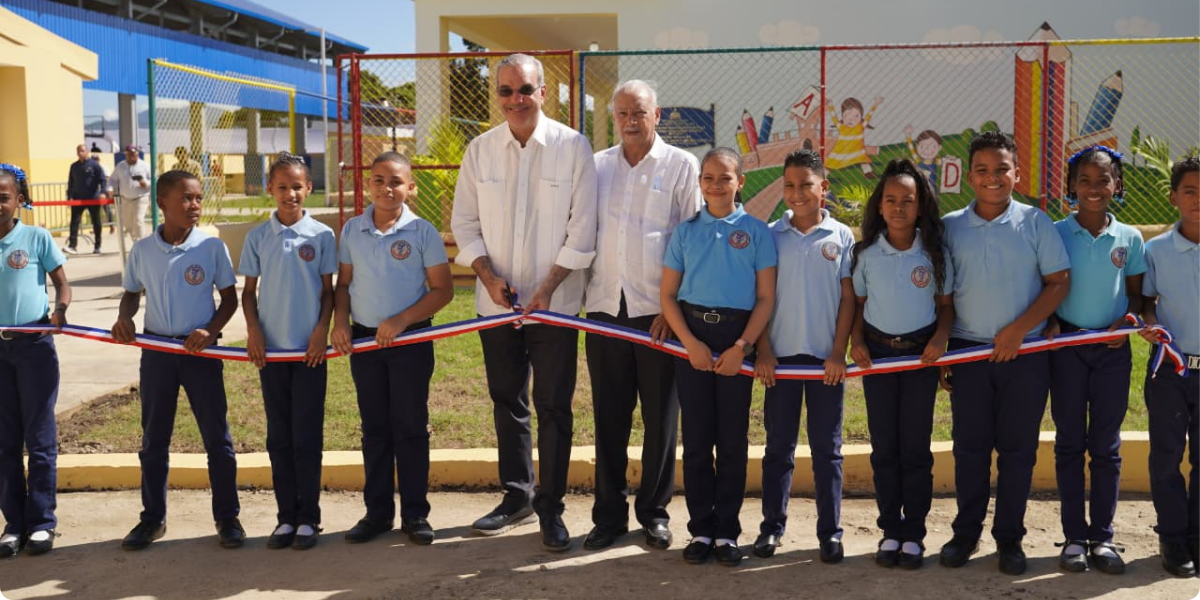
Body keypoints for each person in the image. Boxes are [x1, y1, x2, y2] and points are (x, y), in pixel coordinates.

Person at [450, 53, 597, 552]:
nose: (516, 100)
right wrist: (488, 278)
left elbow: (583, 228)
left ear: (543, 92)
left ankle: (550, 508)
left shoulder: (573, 147)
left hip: (555, 307)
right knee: (507, 402)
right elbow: (464, 225)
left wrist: (549, 286)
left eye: (525, 90)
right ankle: (516, 497)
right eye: (506, 91)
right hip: (496, 306)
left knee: (553, 406)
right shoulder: (479, 150)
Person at [938, 131, 1071, 575]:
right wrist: (946, 349)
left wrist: (1017, 330)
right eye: (983, 170)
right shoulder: (951, 226)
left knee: (1018, 451)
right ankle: (966, 531)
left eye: (1002, 169)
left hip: (1026, 356)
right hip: (969, 355)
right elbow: (945, 296)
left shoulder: (1036, 222)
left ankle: (1009, 538)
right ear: (969, 176)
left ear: (1016, 173)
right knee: (970, 449)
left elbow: (1058, 282)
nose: (993, 178)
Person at [583, 80, 701, 552]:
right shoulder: (597, 167)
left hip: (659, 315)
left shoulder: (681, 166)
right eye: (622, 114)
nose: (630, 121)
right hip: (605, 310)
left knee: (660, 420)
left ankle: (653, 513)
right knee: (609, 419)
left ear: (657, 114)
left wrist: (678, 314)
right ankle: (607, 516)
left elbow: (692, 239)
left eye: (639, 112)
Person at [112, 170, 242, 551]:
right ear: (162, 203)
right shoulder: (143, 250)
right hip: (156, 354)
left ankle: (228, 518)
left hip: (199, 356)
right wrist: (125, 317)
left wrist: (211, 331)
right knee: (154, 441)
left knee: (217, 439)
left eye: (199, 198)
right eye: (186, 198)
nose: (195, 206)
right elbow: (132, 292)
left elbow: (230, 300)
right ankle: (152, 519)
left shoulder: (210, 248)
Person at [661, 147, 776, 567]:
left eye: (724, 178)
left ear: (740, 182)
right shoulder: (685, 232)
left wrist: (742, 347)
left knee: (731, 441)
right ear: (700, 183)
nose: (715, 185)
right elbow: (668, 296)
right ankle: (701, 530)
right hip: (693, 336)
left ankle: (727, 532)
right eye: (708, 178)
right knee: (696, 441)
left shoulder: (756, 232)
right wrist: (689, 342)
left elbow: (765, 298)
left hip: (735, 339)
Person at [332, 152, 453, 546]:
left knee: (410, 427)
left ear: (410, 187)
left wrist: (401, 320)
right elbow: (344, 285)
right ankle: (377, 514)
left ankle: (416, 514)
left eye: (396, 181)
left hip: (411, 342)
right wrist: (340, 323)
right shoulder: (352, 230)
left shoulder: (422, 232)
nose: (387, 188)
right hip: (366, 342)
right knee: (375, 429)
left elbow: (443, 291)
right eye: (379, 179)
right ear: (367, 184)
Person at [848, 159, 954, 570]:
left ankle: (915, 534)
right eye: (890, 200)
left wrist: (941, 339)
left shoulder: (934, 255)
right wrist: (857, 341)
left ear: (921, 207)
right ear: (878, 206)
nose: (897, 208)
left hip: (919, 358)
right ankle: (890, 531)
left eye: (907, 201)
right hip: (879, 358)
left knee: (915, 448)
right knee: (884, 448)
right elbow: (857, 306)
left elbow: (945, 308)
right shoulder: (867, 254)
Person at [1044, 146, 1144, 575]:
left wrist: (1126, 322)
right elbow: (1045, 286)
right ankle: (1072, 538)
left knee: (1105, 446)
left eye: (1103, 180)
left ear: (1116, 186)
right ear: (1071, 187)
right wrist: (1049, 321)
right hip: (1066, 349)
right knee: (1069, 443)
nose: (1093, 188)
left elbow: (1139, 295)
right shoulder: (1055, 233)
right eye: (1084, 180)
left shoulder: (1130, 238)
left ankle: (1102, 537)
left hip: (1112, 353)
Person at [752, 149, 855, 565]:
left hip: (825, 364)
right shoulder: (770, 236)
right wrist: (763, 349)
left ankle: (830, 533)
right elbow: (760, 297)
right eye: (790, 186)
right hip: (780, 362)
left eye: (806, 185)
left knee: (827, 450)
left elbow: (848, 298)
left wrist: (837, 353)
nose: (797, 193)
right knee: (778, 448)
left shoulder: (841, 236)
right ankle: (771, 528)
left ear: (823, 187)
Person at [238, 152, 336, 551]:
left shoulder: (323, 236)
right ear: (270, 190)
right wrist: (254, 331)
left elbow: (329, 293)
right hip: (272, 355)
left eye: (297, 186)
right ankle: (285, 518)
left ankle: (309, 519)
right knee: (278, 437)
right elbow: (248, 294)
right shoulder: (259, 237)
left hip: (310, 355)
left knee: (306, 436)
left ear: (309, 188)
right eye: (282, 187)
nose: (290, 193)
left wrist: (321, 333)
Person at [0, 163, 71, 558]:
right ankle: (14, 523)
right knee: (4, 441)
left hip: (34, 345)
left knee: (39, 439)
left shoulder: (36, 237)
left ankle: (42, 523)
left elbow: (61, 282)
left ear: (19, 200)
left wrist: (60, 311)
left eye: (3, 196)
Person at [1138, 156, 1200, 578]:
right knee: (1166, 455)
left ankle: (1196, 533)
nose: (1198, 200)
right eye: (1190, 191)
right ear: (1174, 196)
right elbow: (1146, 302)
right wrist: (1150, 325)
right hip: (1170, 372)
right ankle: (1173, 537)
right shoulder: (1156, 249)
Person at [66, 144, 108, 254]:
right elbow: (71, 182)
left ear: (87, 152)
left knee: (96, 222)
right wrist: (69, 197)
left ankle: (97, 246)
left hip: (93, 198)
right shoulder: (74, 166)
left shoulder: (94, 165)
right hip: (78, 199)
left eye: (83, 151)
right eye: (79, 151)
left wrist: (103, 192)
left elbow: (103, 179)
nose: (81, 153)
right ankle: (72, 245)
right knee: (74, 222)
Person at [825, 97, 883, 178]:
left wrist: (875, 105)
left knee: (863, 160)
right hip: (841, 152)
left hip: (857, 151)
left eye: (856, 116)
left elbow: (868, 116)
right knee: (830, 164)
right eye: (847, 115)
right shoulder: (841, 127)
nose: (851, 120)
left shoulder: (860, 127)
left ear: (860, 117)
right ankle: (822, 176)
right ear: (842, 116)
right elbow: (834, 117)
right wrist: (830, 106)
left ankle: (868, 173)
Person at [110, 145, 152, 243]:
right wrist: (110, 188)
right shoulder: (121, 166)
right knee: (127, 223)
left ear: (137, 154)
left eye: (133, 154)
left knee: (138, 220)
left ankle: (141, 242)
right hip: (125, 198)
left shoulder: (145, 166)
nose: (131, 156)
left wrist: (145, 183)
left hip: (141, 197)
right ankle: (136, 241)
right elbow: (113, 179)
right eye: (129, 154)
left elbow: (154, 180)